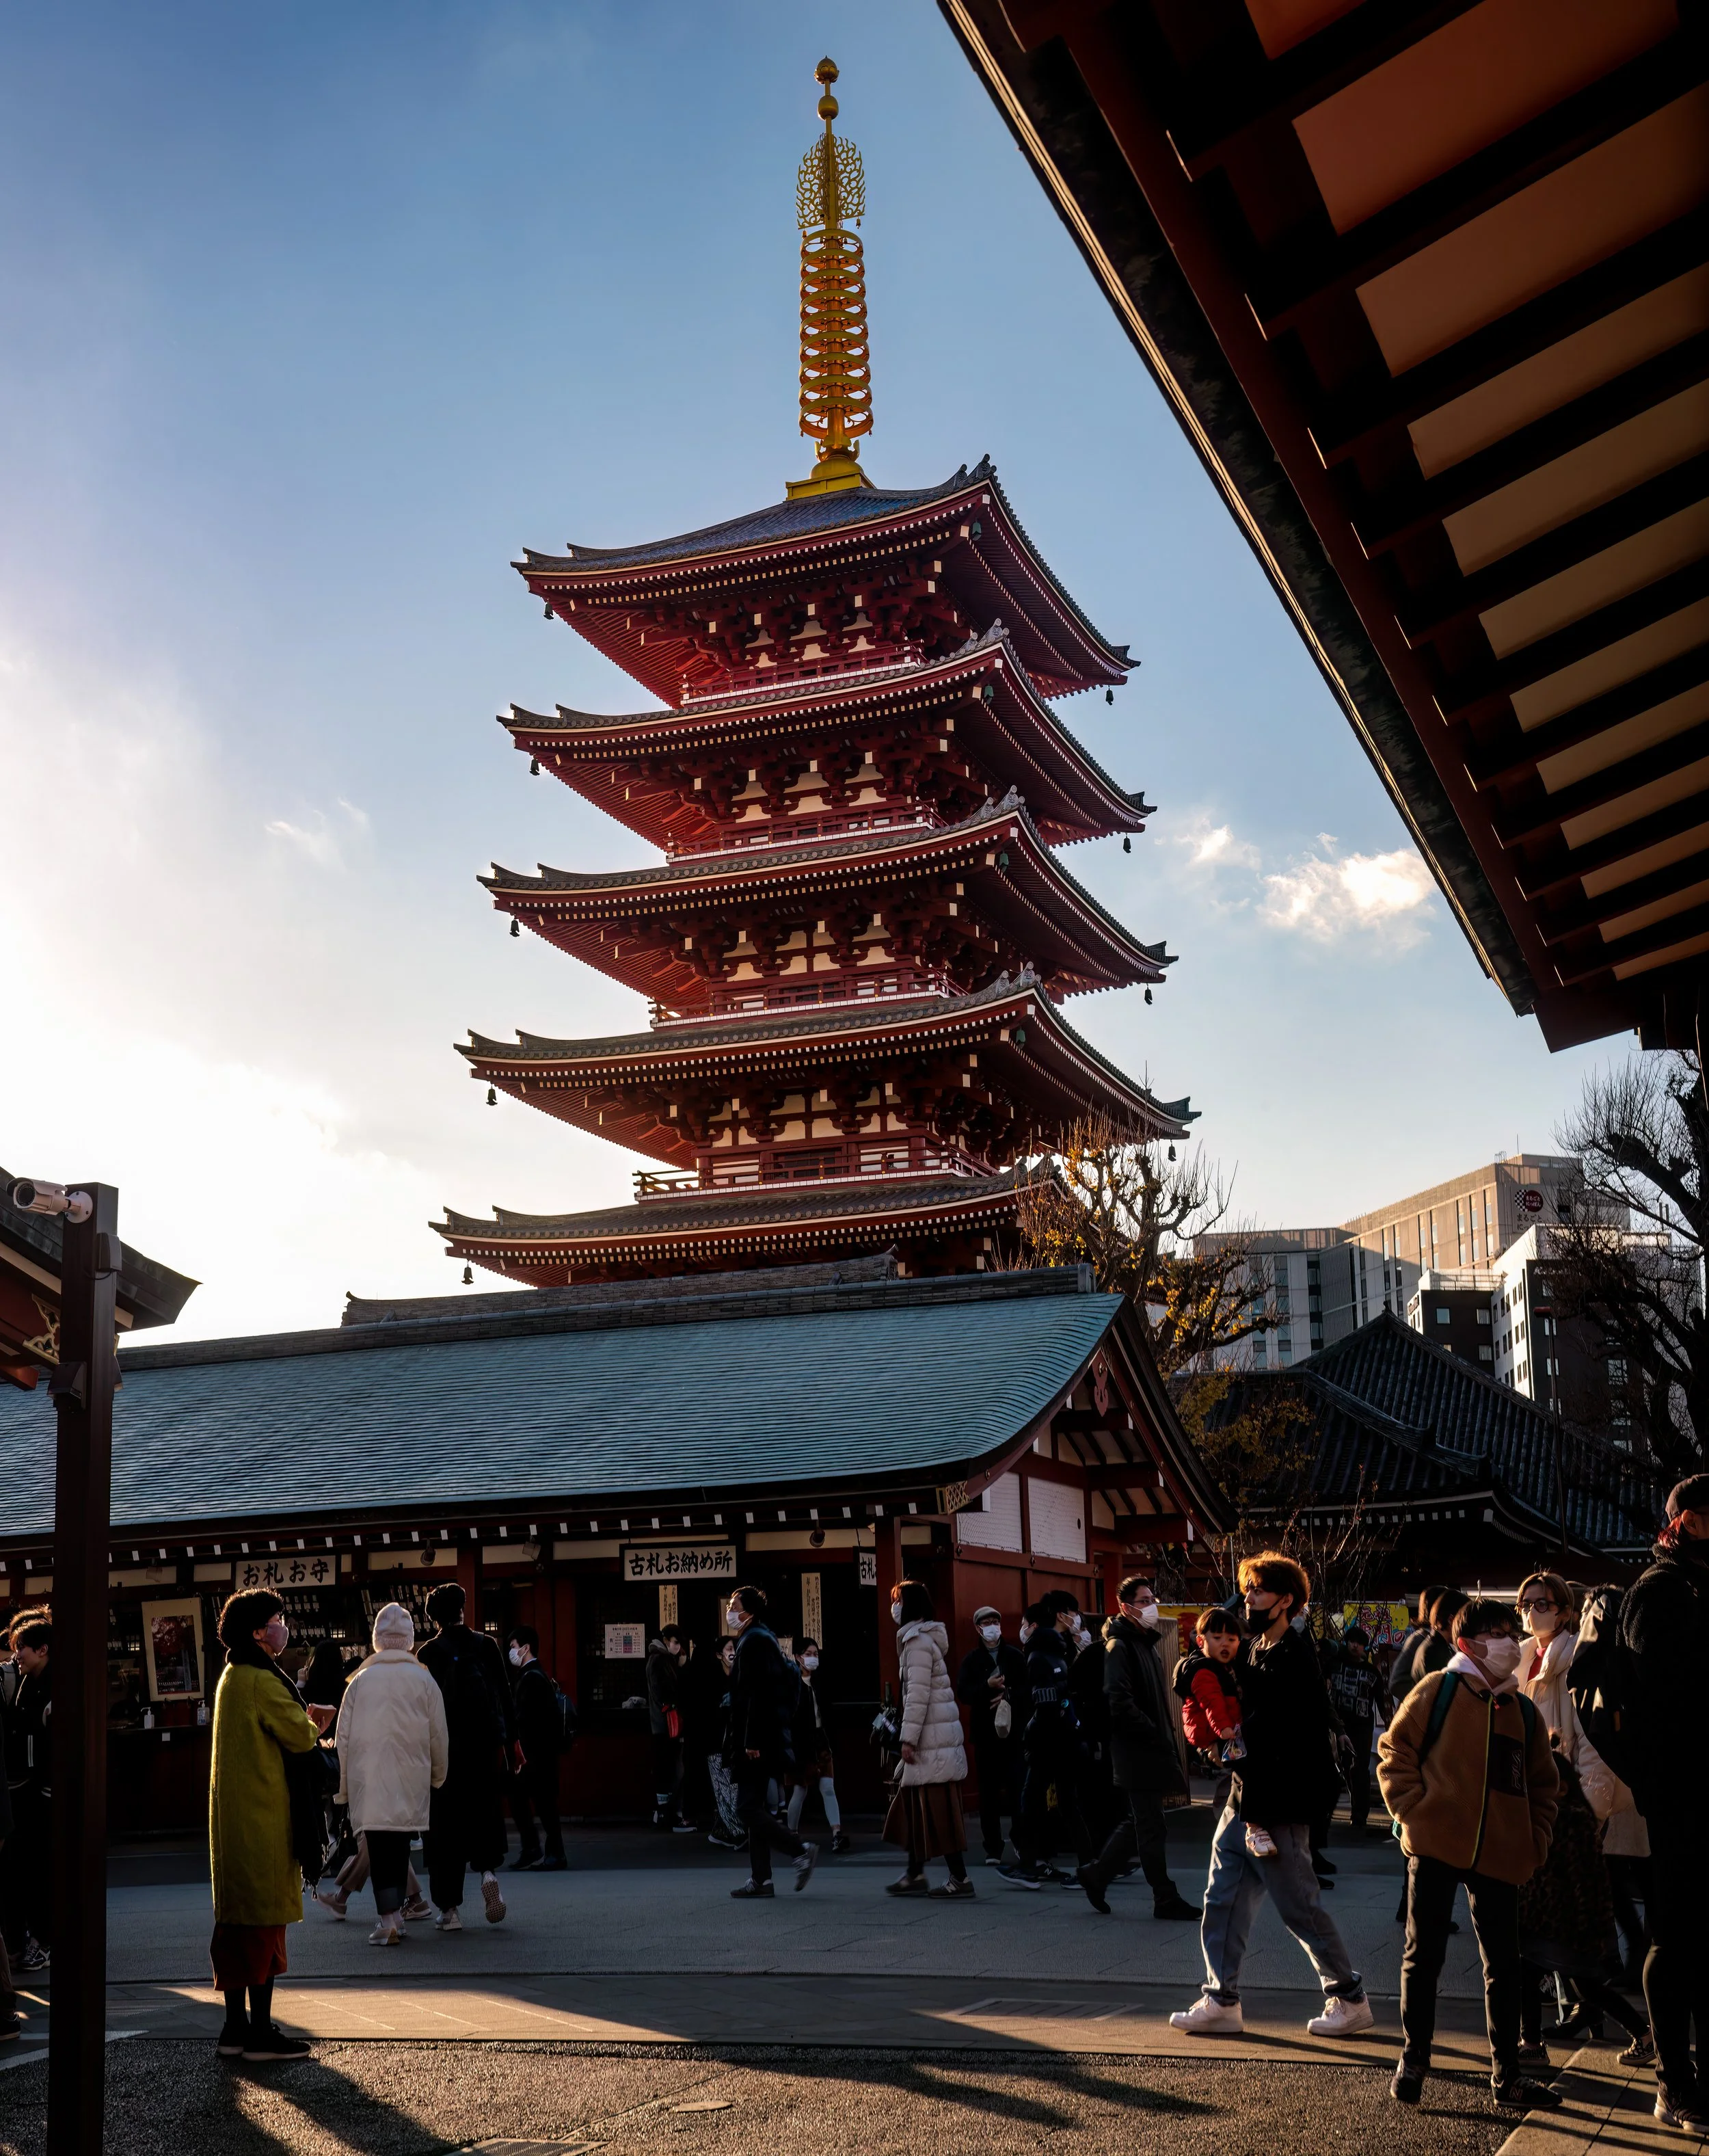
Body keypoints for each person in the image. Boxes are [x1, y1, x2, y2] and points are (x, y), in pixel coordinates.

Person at [1169, 1552, 1373, 2040]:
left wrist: (1229, 1745)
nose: (1250, 1598)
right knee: (1222, 1897)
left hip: (1278, 1804)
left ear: (1286, 1600)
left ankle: (1349, 1996)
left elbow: (1275, 1731)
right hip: (1245, 1799)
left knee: (1298, 1905)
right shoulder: (1258, 1646)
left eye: (1259, 1590)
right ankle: (1221, 1998)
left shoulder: (1295, 1657)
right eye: (1249, 1588)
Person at [1378, 1593, 1561, 2113]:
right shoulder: (1439, 1689)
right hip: (1434, 1845)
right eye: (1499, 1634)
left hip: (1502, 1854)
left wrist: (1536, 1838)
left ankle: (1507, 2074)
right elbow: (1394, 1751)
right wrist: (1415, 1809)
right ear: (1468, 1644)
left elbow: (1545, 1786)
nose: (1511, 1643)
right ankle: (1414, 2057)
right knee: (1423, 1955)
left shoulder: (1520, 1710)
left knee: (1504, 1963)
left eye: (1511, 1631)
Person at [208, 1588, 336, 2062]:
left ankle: (235, 2027)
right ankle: (260, 2031)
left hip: (234, 1821)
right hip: (264, 1818)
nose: (284, 1626)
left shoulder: (231, 1675)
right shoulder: (262, 1679)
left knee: (237, 1929)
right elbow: (299, 1736)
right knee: (265, 1929)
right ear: (259, 1631)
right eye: (278, 1619)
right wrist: (317, 1719)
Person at [1621, 1474, 1709, 2135]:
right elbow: (1660, 1709)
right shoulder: (1660, 1592)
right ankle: (1674, 2083)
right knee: (1674, 1939)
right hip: (1684, 1795)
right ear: (1684, 1522)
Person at [1078, 1577, 1198, 1921]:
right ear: (1126, 1607)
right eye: (1143, 1600)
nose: (1151, 1606)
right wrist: (1151, 1733)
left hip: (1146, 1747)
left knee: (1142, 1822)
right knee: (1149, 1825)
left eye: (1151, 1598)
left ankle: (1097, 1874)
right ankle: (1164, 1896)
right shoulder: (1121, 1646)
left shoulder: (1143, 1643)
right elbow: (1119, 1700)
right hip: (1137, 1749)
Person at [332, 1604, 448, 1946]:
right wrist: (438, 1775)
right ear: (410, 1641)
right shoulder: (425, 1679)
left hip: (369, 1780)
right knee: (400, 1845)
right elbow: (438, 1734)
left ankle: (388, 1920)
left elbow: (344, 1739)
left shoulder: (360, 1682)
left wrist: (343, 1788)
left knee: (380, 1847)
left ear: (377, 1641)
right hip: (411, 1779)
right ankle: (396, 1914)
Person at [416, 1582, 516, 1931]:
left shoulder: (427, 1654)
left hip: (445, 1754)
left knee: (445, 1829)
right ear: (463, 1610)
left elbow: (422, 1709)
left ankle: (449, 1910)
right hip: (484, 1749)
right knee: (484, 1815)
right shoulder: (487, 1645)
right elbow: (505, 1697)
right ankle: (488, 1874)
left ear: (433, 1618)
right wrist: (511, 1745)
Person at [723, 1586, 817, 1898]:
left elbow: (757, 1695)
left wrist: (750, 1740)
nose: (731, 1610)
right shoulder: (760, 1637)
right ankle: (761, 1879)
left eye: (735, 1605)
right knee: (755, 1807)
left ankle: (799, 1850)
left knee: (748, 1808)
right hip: (761, 1737)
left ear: (748, 1611)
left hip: (756, 1740)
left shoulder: (755, 1642)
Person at [999, 1593, 1095, 1889]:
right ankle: (1088, 1866)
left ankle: (1029, 1866)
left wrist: (1031, 1733)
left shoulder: (1039, 1656)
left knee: (1031, 1801)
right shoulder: (1058, 1652)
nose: (1023, 1630)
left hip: (1047, 1743)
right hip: (1067, 1739)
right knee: (1068, 1805)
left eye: (1026, 1625)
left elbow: (1045, 1703)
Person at [883, 1581, 972, 1897]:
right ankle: (914, 1873)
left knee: (935, 1810)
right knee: (915, 1808)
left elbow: (917, 1696)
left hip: (930, 1739)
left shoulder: (917, 1642)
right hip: (936, 1736)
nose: (893, 1606)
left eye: (897, 1600)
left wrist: (908, 1740)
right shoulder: (922, 1638)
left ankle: (958, 1877)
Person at [955, 1605, 1026, 1867]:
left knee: (1019, 1790)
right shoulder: (972, 1660)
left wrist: (1009, 1695)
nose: (993, 1626)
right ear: (978, 1628)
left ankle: (1020, 1841)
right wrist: (987, 1687)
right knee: (989, 1795)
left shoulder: (1015, 1656)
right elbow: (964, 1693)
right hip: (986, 1736)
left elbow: (1027, 1689)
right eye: (987, 1622)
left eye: (995, 1621)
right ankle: (993, 1848)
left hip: (1014, 1734)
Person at [2, 1616, 51, 1974]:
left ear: (43, 1650)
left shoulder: (52, 1685)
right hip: (27, 1787)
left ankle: (42, 1941)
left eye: (23, 1647)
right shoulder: (26, 1681)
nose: (17, 1653)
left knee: (39, 1871)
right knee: (23, 1870)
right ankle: (26, 1941)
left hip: (43, 1790)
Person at [506, 1625, 569, 1870]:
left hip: (534, 1754)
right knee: (541, 1803)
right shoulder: (538, 1675)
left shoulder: (530, 1678)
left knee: (537, 1802)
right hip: (541, 1754)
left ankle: (545, 1852)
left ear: (525, 1648)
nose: (511, 1652)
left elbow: (524, 1718)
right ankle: (543, 1851)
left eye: (513, 1647)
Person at [1326, 1627, 1391, 1837]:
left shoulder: (1372, 1673)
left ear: (1365, 1647)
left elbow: (1381, 1702)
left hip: (1362, 1725)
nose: (1354, 1646)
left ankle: (1360, 1814)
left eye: (1359, 1643)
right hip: (1337, 1724)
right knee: (1341, 1767)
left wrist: (1390, 1724)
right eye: (1351, 1641)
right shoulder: (1334, 1664)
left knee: (1360, 1768)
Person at [786, 1639, 849, 1852]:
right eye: (808, 1653)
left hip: (821, 1740)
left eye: (816, 1653)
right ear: (797, 1657)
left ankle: (836, 1833)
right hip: (800, 1743)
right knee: (800, 1790)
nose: (813, 1657)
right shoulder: (791, 1683)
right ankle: (792, 1834)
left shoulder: (821, 1682)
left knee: (828, 1788)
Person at [646, 1625, 692, 1831]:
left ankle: (664, 1813)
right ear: (665, 1640)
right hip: (665, 1724)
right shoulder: (660, 1660)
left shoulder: (663, 1659)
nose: (677, 1647)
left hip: (664, 1724)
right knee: (669, 1769)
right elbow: (664, 1691)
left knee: (669, 1768)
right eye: (675, 1642)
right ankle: (666, 1813)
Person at [703, 1636, 745, 1850]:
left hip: (736, 1742)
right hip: (717, 1743)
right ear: (719, 1654)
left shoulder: (739, 1677)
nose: (733, 1653)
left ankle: (720, 1832)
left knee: (733, 1788)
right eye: (730, 1649)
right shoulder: (713, 1681)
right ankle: (738, 1834)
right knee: (725, 1790)